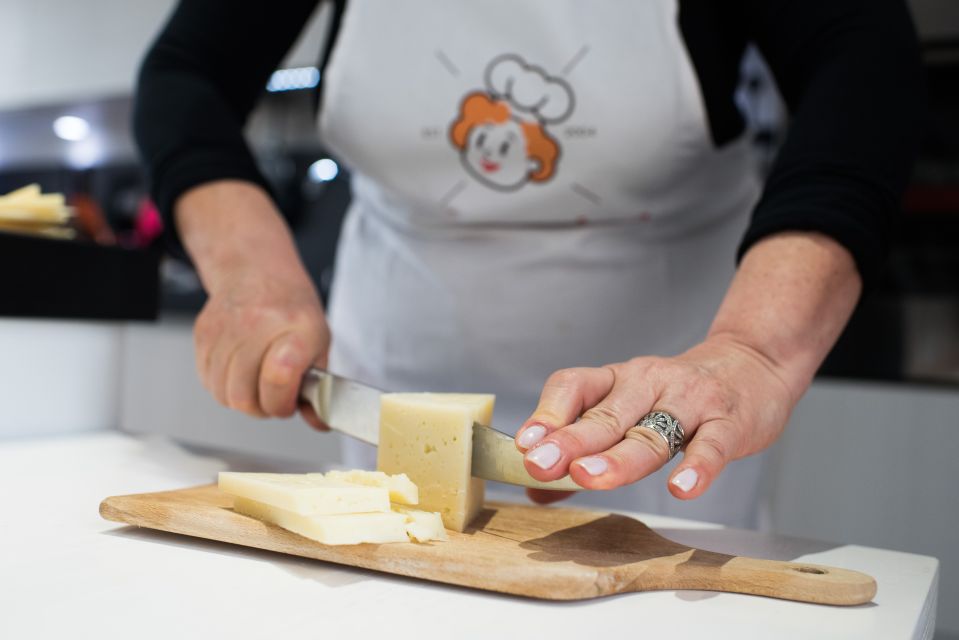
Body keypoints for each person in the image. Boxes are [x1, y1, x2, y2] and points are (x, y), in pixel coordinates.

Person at [134, 0, 922, 527]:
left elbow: (862, 69)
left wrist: (752, 349)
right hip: (398, 358)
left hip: (666, 384)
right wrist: (249, 270)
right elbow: (184, 74)